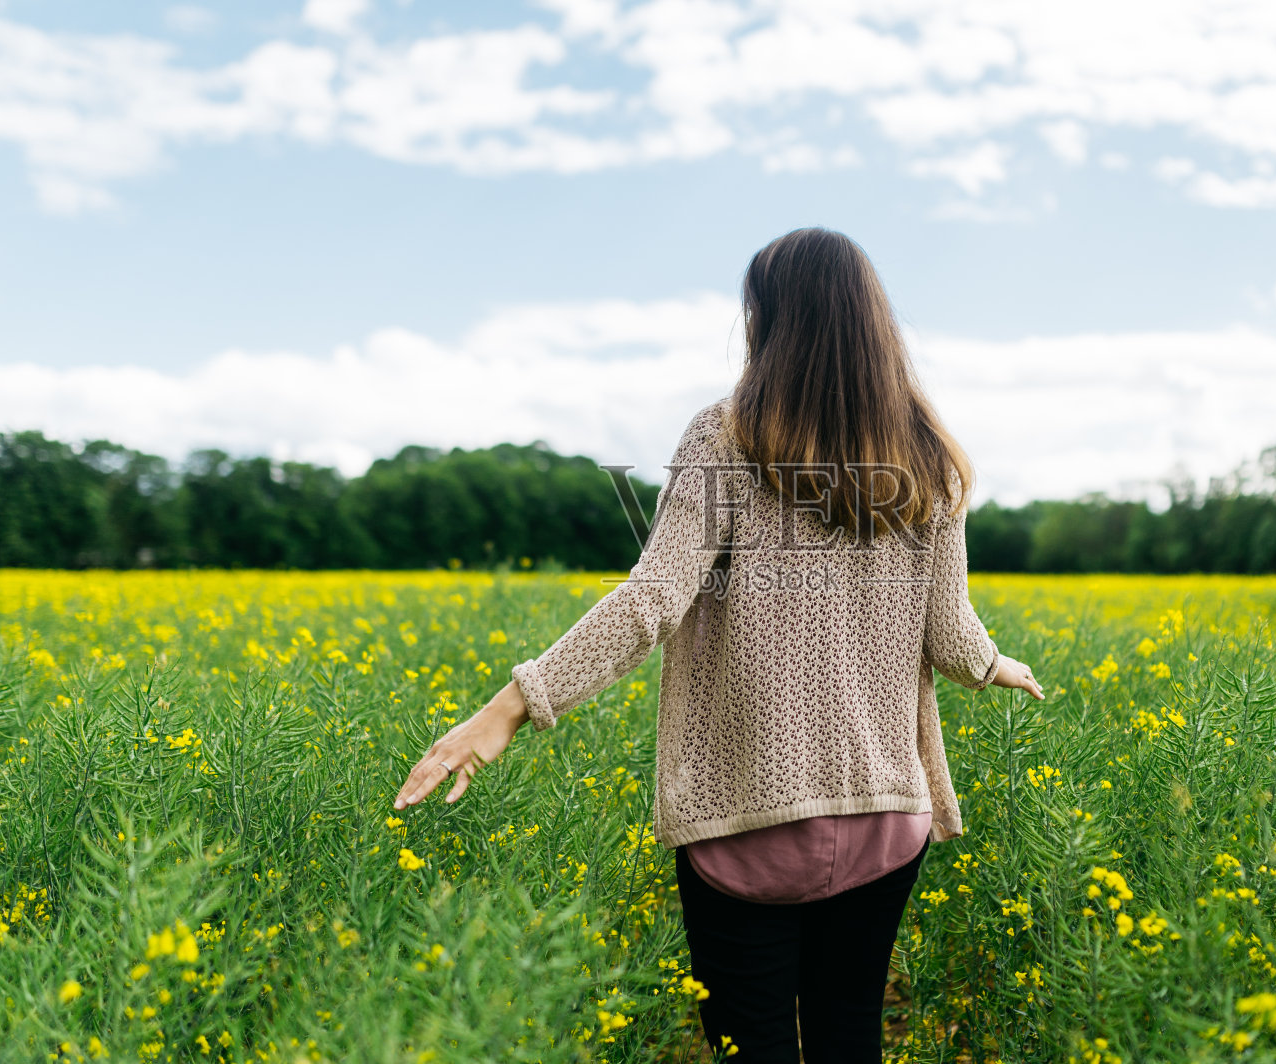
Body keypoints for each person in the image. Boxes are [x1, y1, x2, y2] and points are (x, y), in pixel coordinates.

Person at [393, 226, 1045, 1061]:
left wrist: (511, 708)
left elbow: (652, 599)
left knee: (752, 1045)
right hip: (887, 813)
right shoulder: (931, 460)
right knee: (849, 1036)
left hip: (748, 820)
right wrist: (995, 665)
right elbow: (951, 634)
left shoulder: (726, 439)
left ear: (768, 320)